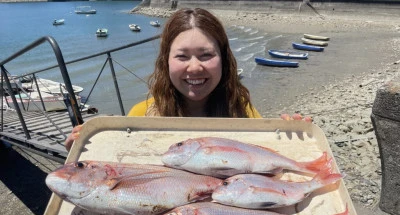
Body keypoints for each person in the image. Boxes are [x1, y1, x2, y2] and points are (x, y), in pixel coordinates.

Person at [65, 8, 308, 151]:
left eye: (206, 55)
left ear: (223, 59)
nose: (194, 67)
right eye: (182, 56)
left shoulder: (243, 113)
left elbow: (268, 161)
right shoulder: (140, 115)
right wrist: (83, 152)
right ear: (166, 61)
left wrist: (292, 138)